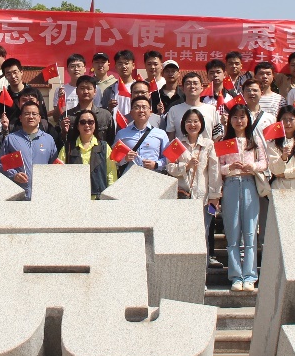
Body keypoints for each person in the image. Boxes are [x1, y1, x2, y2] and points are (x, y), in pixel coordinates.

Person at [217, 103, 267, 292]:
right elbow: (218, 167)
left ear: (248, 119)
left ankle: (250, 276)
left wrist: (252, 167)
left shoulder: (254, 140)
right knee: (233, 232)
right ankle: (236, 276)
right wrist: (229, 168)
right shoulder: (225, 141)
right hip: (231, 184)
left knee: (250, 232)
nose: (239, 121)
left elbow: (264, 163)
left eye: (242, 117)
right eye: (235, 117)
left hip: (249, 184)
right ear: (230, 120)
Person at [165, 107, 222, 267]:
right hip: (182, 196)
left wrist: (215, 196)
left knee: (203, 234)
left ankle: (201, 272)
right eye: (189, 121)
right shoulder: (176, 144)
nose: (192, 124)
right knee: (183, 234)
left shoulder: (209, 144)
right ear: (183, 124)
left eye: (196, 121)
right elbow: (169, 167)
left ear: (201, 124)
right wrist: (186, 166)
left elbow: (214, 171)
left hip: (204, 198)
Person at [0, 102, 59, 199]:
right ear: (20, 118)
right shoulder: (11, 139)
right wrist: (14, 175)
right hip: (18, 195)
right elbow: (3, 165)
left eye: (34, 114)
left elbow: (55, 166)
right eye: (27, 114)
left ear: (39, 118)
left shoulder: (48, 140)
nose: (31, 117)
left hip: (43, 195)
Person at [58, 110, 118, 198]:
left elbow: (111, 173)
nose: (87, 125)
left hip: (99, 200)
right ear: (78, 126)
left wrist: (110, 196)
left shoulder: (104, 147)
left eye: (90, 122)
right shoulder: (68, 148)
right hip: (75, 199)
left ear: (95, 125)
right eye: (83, 122)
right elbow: (59, 173)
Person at [113, 96, 169, 175]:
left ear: (150, 112)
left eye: (144, 107)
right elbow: (113, 159)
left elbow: (168, 158)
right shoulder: (121, 134)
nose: (141, 110)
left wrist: (156, 164)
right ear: (131, 113)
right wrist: (125, 159)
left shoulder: (161, 134)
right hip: (129, 177)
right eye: (137, 107)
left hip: (153, 176)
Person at [162, 70, 218, 140]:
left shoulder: (212, 110)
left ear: (202, 88)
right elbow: (171, 138)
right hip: (182, 147)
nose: (192, 86)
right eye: (188, 83)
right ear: (183, 88)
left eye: (195, 83)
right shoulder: (174, 110)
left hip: (207, 147)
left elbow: (217, 138)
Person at [67, 76, 115, 144]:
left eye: (89, 88)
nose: (85, 92)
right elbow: (60, 142)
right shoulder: (68, 116)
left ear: (95, 91)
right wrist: (63, 132)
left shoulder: (105, 115)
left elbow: (111, 140)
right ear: (76, 91)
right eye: (82, 88)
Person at [100, 49, 140, 117]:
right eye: (120, 63)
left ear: (133, 66)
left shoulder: (140, 88)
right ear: (115, 67)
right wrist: (109, 108)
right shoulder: (109, 90)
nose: (123, 66)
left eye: (126, 63)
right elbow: (103, 114)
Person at [0, 58, 28, 127]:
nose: (13, 76)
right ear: (5, 76)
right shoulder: (3, 96)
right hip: (9, 132)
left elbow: (43, 116)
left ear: (21, 72)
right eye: (8, 74)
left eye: (15, 72)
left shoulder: (33, 93)